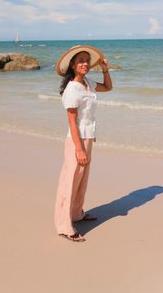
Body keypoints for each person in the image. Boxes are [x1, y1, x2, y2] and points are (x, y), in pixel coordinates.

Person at [54, 45, 113, 242]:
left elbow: (108, 87)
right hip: (76, 140)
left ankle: (77, 214)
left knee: (82, 179)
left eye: (87, 60)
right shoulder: (72, 89)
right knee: (70, 180)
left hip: (88, 137)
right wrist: (79, 148)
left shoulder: (86, 82)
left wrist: (105, 69)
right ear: (72, 64)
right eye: (80, 60)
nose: (85, 63)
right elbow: (71, 121)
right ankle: (64, 226)